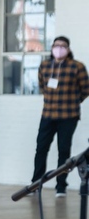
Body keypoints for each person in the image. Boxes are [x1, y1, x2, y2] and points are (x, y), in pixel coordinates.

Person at [32, 36, 89, 198]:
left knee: (63, 151)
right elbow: (42, 86)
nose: (59, 48)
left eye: (63, 46)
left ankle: (61, 186)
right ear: (51, 48)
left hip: (68, 116)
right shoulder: (44, 66)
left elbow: (86, 89)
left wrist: (74, 101)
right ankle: (36, 183)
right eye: (56, 45)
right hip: (48, 114)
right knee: (41, 149)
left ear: (68, 49)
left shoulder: (77, 67)